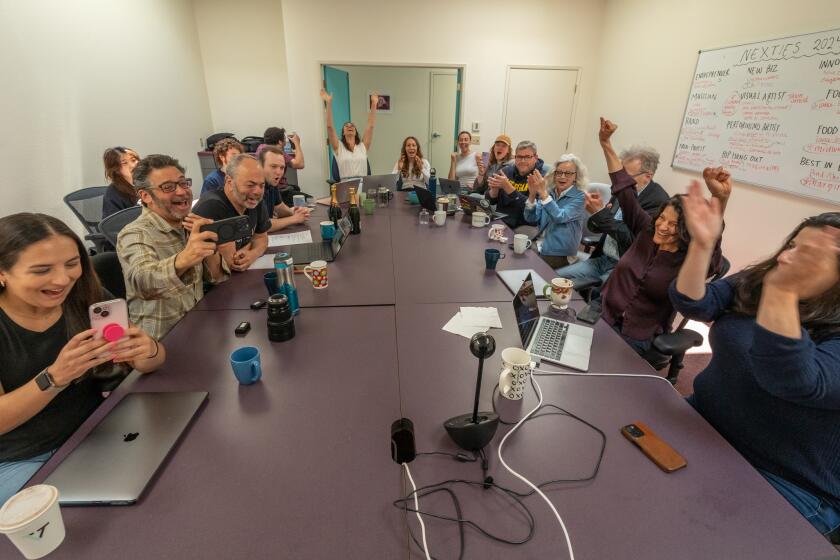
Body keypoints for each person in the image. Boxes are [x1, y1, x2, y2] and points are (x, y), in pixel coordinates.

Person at [671, 186, 840, 543]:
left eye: (810, 255)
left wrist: (784, 293)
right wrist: (702, 247)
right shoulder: (761, 280)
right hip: (705, 423)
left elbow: (793, 381)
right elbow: (696, 303)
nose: (788, 258)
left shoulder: (781, 291)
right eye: (793, 245)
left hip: (786, 480)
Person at [0, 213, 165, 504]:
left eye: (72, 264)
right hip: (22, 458)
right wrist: (54, 378)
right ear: (3, 273)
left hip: (95, 431)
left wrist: (146, 350)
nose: (62, 279)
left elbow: (154, 361)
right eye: (41, 270)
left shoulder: (83, 297)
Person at [597, 117, 729, 366]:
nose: (663, 227)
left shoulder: (691, 261)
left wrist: (720, 199)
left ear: (688, 232)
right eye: (662, 219)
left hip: (636, 337)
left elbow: (711, 242)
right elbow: (623, 186)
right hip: (602, 316)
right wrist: (605, 142)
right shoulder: (646, 229)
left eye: (673, 225)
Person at [117, 154, 227, 340]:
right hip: (161, 340)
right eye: (168, 187)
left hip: (199, 326)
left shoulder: (189, 224)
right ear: (145, 196)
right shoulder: (134, 234)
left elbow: (218, 278)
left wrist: (209, 243)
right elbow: (142, 282)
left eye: (184, 183)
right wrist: (185, 257)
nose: (182, 192)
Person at [556, 145, 669, 291]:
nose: (621, 181)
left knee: (597, 295)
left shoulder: (659, 203)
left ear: (648, 176)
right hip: (602, 259)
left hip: (625, 267)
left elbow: (633, 243)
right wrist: (597, 213)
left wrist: (602, 215)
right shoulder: (623, 189)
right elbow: (596, 227)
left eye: (626, 176)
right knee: (555, 278)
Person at [192, 154, 270, 272]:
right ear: (229, 182)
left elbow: (262, 238)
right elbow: (218, 269)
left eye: (261, 185)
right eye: (250, 185)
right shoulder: (210, 207)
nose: (258, 192)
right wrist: (248, 246)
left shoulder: (255, 202)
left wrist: (252, 254)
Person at [523, 154, 587, 269]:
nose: (562, 176)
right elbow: (531, 218)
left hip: (560, 253)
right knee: (515, 256)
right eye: (559, 172)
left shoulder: (580, 197)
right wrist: (532, 194)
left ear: (576, 176)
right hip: (540, 244)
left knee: (528, 268)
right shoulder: (550, 192)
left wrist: (542, 194)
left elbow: (560, 217)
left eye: (568, 173)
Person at [486, 140, 551, 229]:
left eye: (527, 157)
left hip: (525, 226)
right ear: (515, 158)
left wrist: (509, 188)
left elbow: (535, 211)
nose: (522, 161)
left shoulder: (542, 178)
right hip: (500, 222)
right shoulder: (506, 171)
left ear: (535, 158)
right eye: (519, 157)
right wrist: (494, 191)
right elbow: (490, 201)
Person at [321, 89, 378, 179]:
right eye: (346, 126)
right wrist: (328, 103)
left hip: (362, 186)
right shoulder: (338, 146)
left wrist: (374, 104)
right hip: (345, 186)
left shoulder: (362, 146)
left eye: (352, 126)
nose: (349, 126)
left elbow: (370, 126)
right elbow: (330, 127)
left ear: (355, 132)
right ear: (343, 132)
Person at [260, 146, 311, 233]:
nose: (279, 172)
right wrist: (294, 219)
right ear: (260, 166)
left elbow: (280, 207)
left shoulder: (271, 182)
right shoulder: (256, 188)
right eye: (273, 166)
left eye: (282, 168)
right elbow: (264, 225)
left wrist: (296, 212)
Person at [101, 146, 140, 218]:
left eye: (133, 160)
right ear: (117, 170)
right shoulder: (112, 193)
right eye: (125, 163)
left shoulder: (149, 181)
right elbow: (112, 225)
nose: (132, 165)